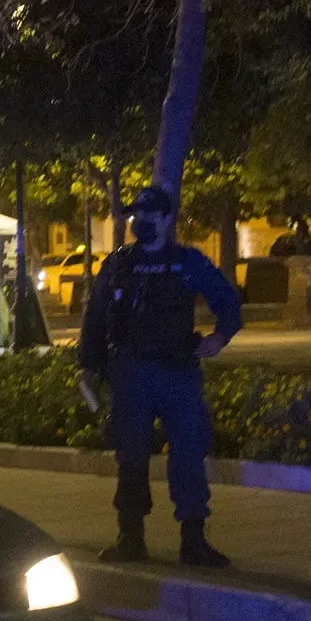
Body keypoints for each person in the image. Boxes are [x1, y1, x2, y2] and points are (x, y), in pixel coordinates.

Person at [78, 184, 243, 567]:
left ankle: (193, 540)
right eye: (137, 216)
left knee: (188, 452)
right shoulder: (118, 264)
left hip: (177, 371)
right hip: (131, 373)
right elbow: (96, 319)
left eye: (150, 216)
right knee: (130, 456)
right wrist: (88, 365)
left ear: (167, 219)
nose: (142, 222)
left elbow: (227, 301)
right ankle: (130, 536)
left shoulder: (187, 262)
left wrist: (221, 336)